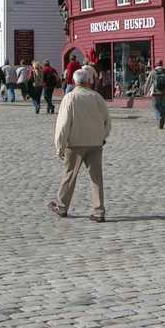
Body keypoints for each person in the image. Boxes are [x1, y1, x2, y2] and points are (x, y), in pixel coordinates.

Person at [48, 67, 111, 223]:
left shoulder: (70, 98)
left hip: (75, 143)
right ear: (88, 81)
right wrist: (102, 136)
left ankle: (62, 206)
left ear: (74, 81)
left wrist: (60, 146)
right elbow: (107, 121)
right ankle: (98, 210)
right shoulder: (97, 97)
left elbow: (63, 125)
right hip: (95, 143)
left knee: (69, 175)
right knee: (96, 177)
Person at [143, 62, 165, 129]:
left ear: (155, 65)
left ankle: (159, 117)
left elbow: (148, 82)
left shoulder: (153, 72)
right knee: (163, 107)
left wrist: (145, 91)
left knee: (156, 106)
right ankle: (162, 118)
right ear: (162, 65)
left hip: (156, 93)